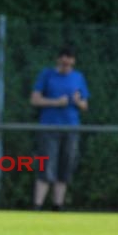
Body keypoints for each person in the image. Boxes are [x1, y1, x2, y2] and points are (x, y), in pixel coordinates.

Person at [30, 46, 90, 211]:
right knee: (46, 165)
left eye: (69, 62)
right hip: (49, 127)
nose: (66, 66)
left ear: (73, 62)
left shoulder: (79, 77)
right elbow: (35, 100)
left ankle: (58, 205)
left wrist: (78, 102)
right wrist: (55, 102)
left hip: (71, 128)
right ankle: (38, 205)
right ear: (58, 60)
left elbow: (85, 105)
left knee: (66, 166)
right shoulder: (47, 75)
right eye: (63, 61)